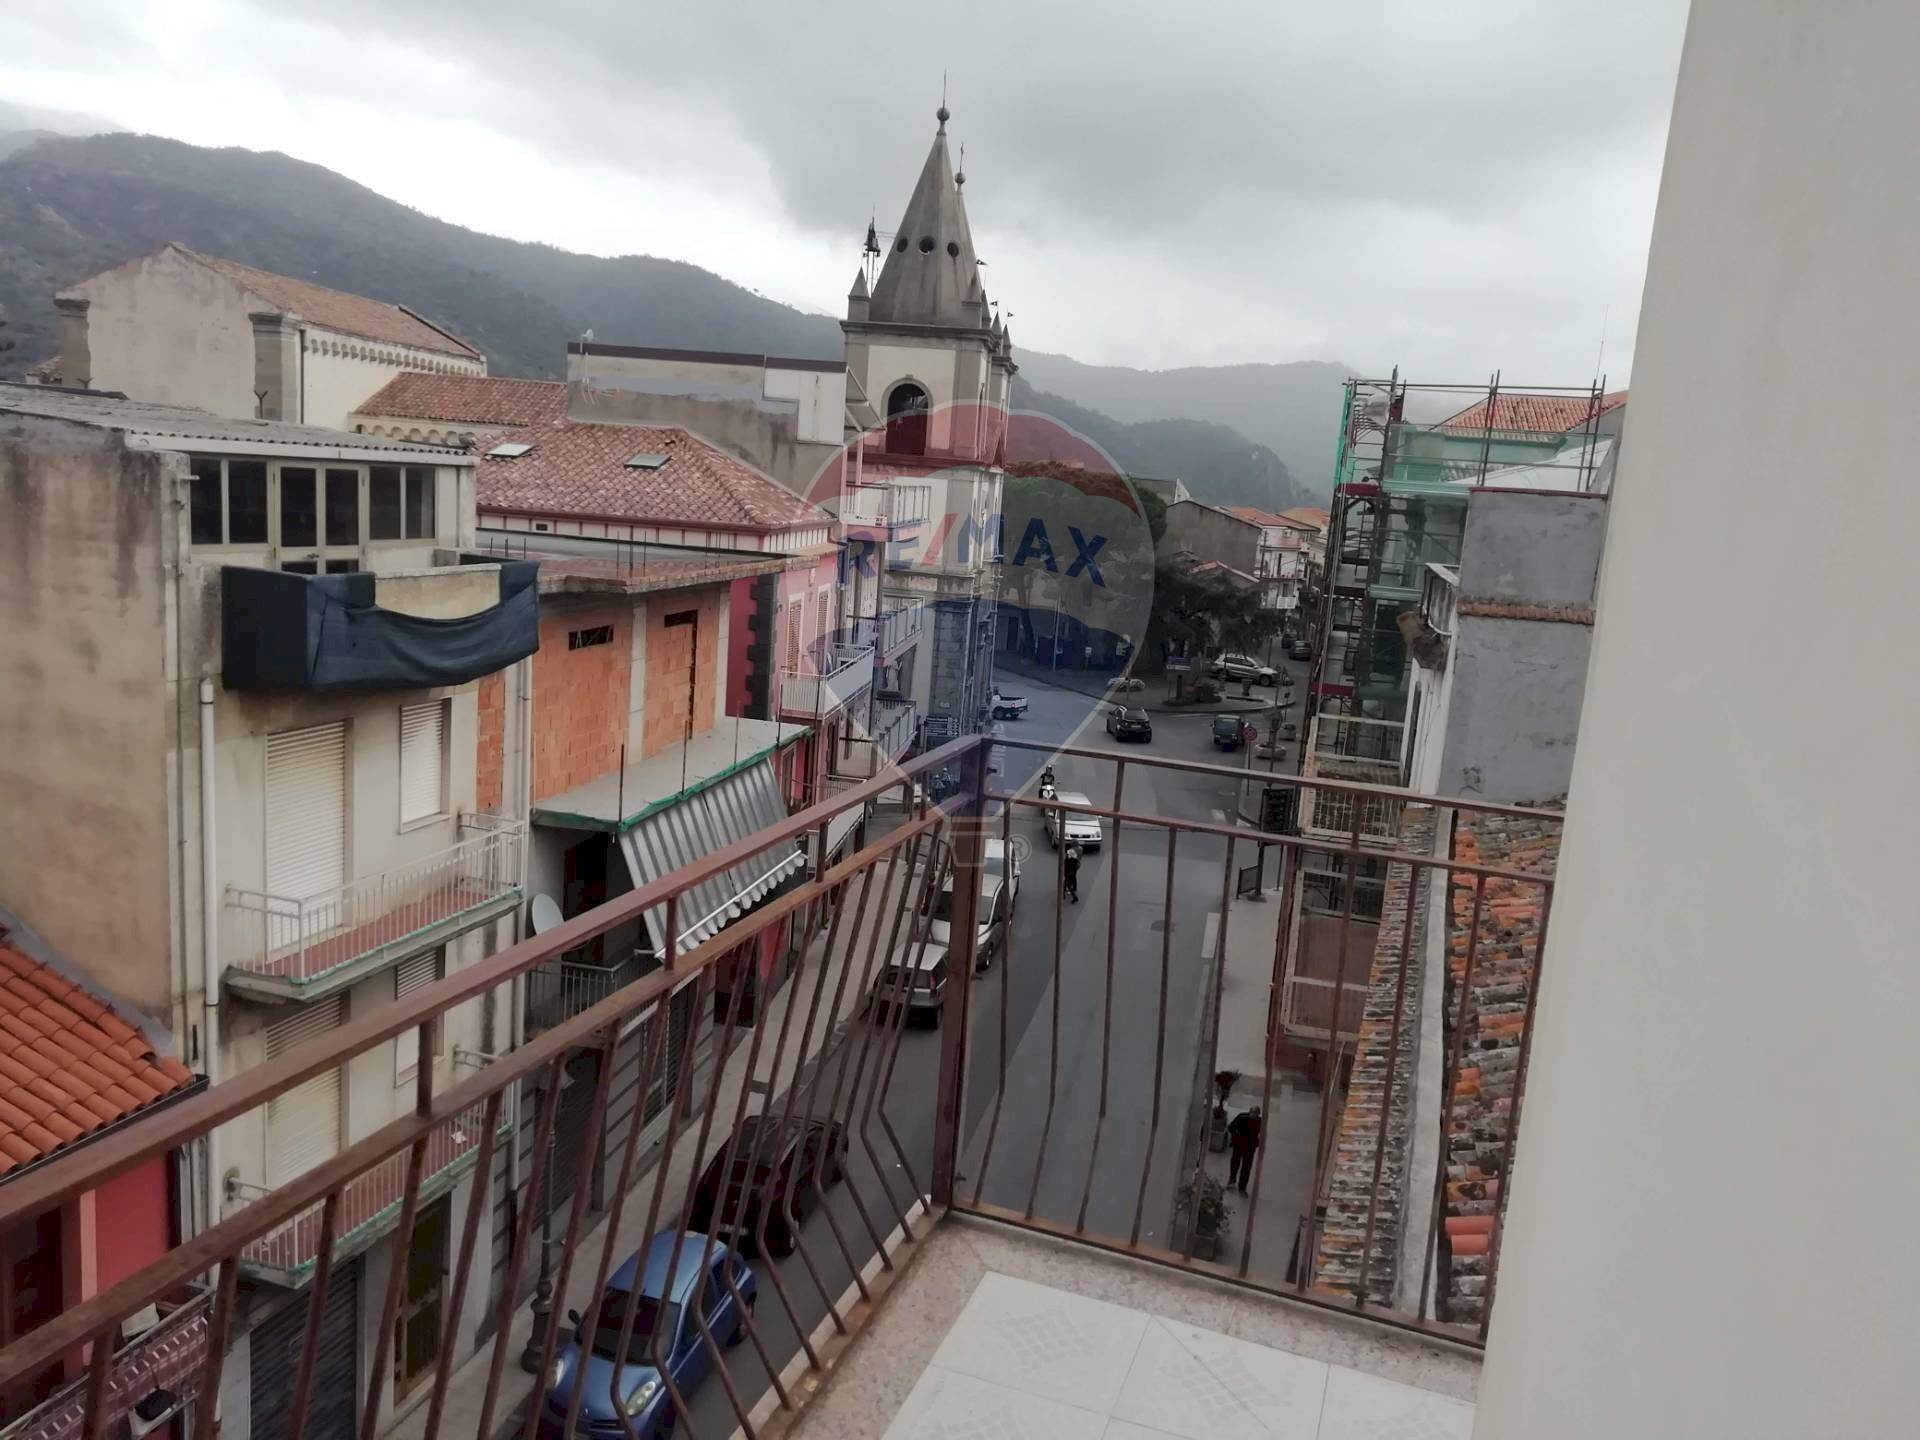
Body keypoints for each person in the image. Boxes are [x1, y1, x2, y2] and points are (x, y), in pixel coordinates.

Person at [1226, 1106, 1262, 1193]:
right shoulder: (1241, 1117)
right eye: (1252, 1113)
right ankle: (1232, 1179)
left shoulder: (1259, 1122)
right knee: (1235, 1163)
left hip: (1250, 1148)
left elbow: (1262, 1134)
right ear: (1249, 1112)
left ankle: (1242, 1186)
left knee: (1246, 1167)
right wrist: (1236, 1137)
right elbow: (1231, 1127)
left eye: (1255, 1114)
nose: (1253, 1115)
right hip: (1239, 1145)